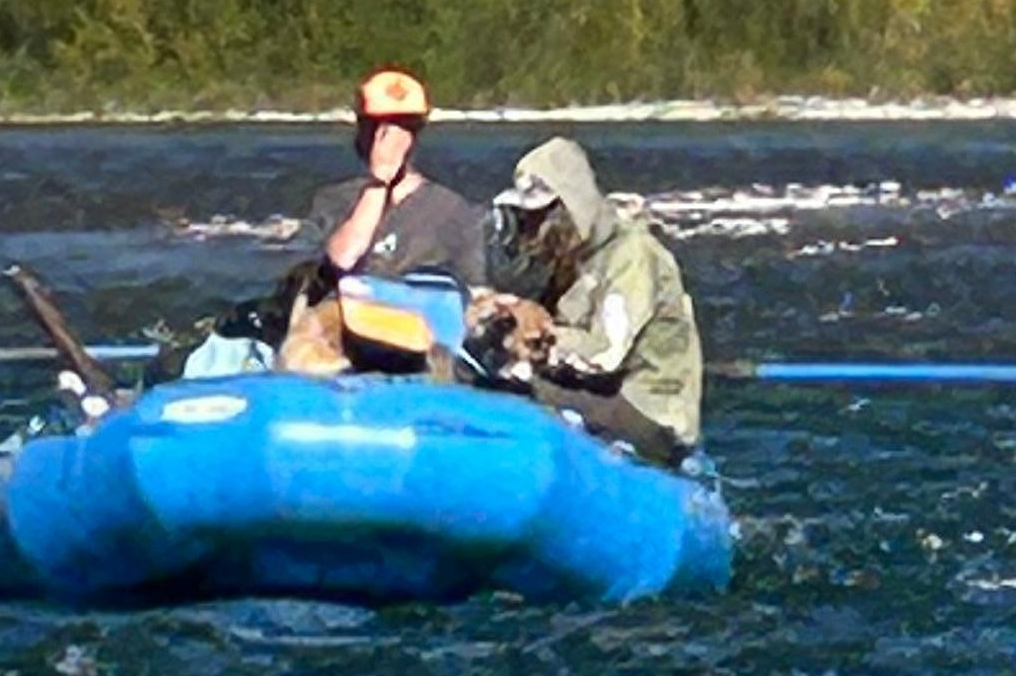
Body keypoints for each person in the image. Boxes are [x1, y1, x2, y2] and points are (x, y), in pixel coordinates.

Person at [471, 136, 704, 467]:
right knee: (489, 373)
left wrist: (536, 337)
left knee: (511, 383)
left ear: (568, 209)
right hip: (602, 395)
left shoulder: (632, 256)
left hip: (651, 412)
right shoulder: (577, 260)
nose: (530, 230)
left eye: (537, 217)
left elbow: (603, 354)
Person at [273, 68, 494, 373]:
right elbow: (342, 259)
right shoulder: (334, 200)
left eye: (398, 127)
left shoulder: (455, 213)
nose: (381, 138)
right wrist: (378, 185)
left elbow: (475, 294)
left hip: (418, 353)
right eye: (373, 126)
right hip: (338, 345)